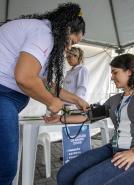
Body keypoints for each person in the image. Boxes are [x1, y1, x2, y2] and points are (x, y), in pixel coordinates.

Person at [0, 3, 89, 185]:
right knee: (6, 168)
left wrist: (76, 99)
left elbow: (44, 83)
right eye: (71, 41)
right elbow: (24, 77)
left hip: (6, 98)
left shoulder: (41, 31)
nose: (68, 48)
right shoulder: (44, 34)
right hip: (3, 97)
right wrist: (51, 101)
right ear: (66, 29)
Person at [45, 54, 134, 185]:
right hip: (114, 148)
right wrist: (60, 118)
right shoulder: (114, 99)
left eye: (115, 73)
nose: (112, 78)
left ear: (129, 71)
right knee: (64, 174)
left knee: (84, 182)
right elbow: (87, 117)